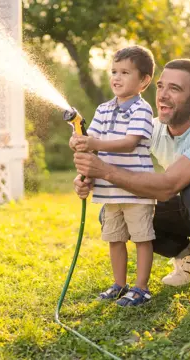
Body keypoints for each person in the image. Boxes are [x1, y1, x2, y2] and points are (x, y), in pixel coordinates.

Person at [72, 59, 190, 308]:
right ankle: (187, 254)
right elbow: (122, 161)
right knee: (114, 212)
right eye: (161, 86)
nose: (163, 95)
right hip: (189, 205)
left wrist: (105, 171)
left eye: (175, 89)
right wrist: (89, 177)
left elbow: (168, 185)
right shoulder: (154, 127)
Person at [69, 45, 156, 306]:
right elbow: (90, 138)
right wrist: (78, 141)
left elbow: (129, 143)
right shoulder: (103, 109)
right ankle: (120, 284)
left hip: (136, 191)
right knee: (115, 239)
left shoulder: (141, 110)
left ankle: (141, 288)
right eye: (114, 71)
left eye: (125, 73)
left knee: (142, 239)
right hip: (109, 191)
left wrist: (93, 144)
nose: (116, 78)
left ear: (144, 81)